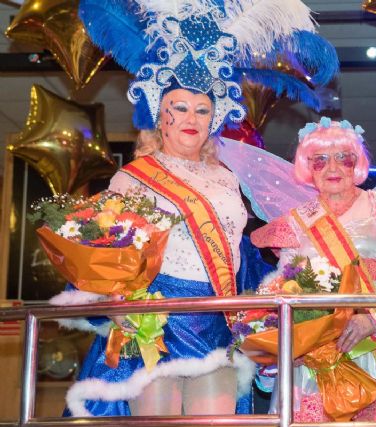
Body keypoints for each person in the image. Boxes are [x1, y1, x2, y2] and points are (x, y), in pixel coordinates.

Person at [49, 2, 262, 417]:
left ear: (214, 119)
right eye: (179, 108)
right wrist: (116, 303)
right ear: (159, 116)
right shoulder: (134, 177)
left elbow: (241, 255)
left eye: (202, 110)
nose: (191, 118)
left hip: (215, 317)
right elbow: (107, 250)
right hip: (155, 320)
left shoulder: (229, 178)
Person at [250, 118, 376, 422]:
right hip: (312, 360)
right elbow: (283, 286)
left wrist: (372, 320)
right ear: (307, 167)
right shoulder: (295, 222)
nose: (332, 168)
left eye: (343, 157)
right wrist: (294, 341)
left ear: (356, 163)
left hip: (371, 347)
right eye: (319, 160)